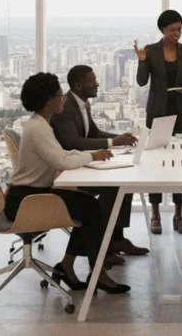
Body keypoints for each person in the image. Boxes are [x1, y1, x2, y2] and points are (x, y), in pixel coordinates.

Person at [5, 72, 130, 294]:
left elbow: (62, 153)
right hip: (28, 200)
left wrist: (94, 153)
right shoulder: (38, 128)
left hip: (32, 194)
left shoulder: (40, 123)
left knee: (88, 205)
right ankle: (96, 272)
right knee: (91, 207)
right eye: (60, 95)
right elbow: (60, 160)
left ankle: (68, 266)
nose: (63, 99)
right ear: (48, 101)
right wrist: (93, 156)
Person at [50, 65, 149, 260]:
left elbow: (93, 133)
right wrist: (113, 143)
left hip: (82, 164)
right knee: (112, 187)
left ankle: (115, 239)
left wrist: (119, 138)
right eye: (92, 80)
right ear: (79, 84)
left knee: (121, 183)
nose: (97, 84)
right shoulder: (65, 107)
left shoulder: (83, 103)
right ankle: (105, 245)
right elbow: (74, 142)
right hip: (69, 171)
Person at [134, 9, 182, 236]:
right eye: (172, 30)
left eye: (179, 29)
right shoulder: (150, 51)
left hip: (181, 110)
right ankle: (155, 213)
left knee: (181, 161)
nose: (177, 33)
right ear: (162, 30)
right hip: (158, 111)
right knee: (156, 162)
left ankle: (179, 215)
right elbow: (142, 82)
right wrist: (142, 62)